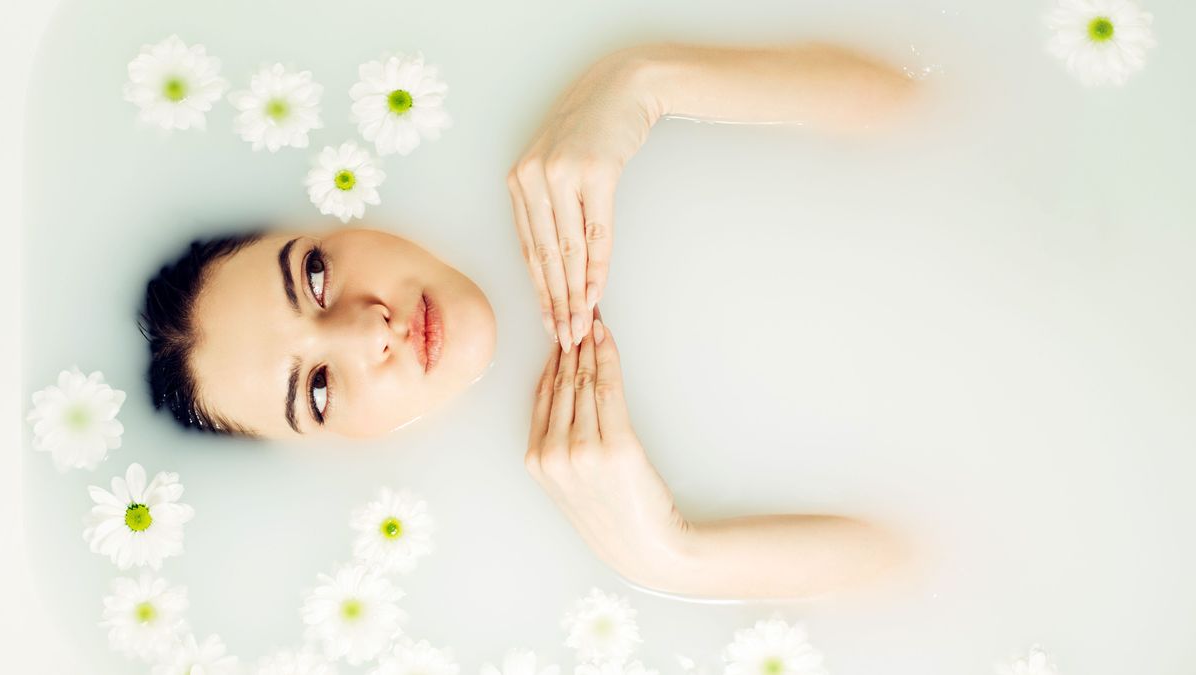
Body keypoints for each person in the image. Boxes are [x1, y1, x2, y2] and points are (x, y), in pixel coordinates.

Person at [140, 41, 918, 598]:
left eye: (313, 274)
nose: (366, 331)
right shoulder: (482, 562)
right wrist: (670, 559)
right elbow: (923, 561)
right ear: (337, 452)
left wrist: (640, 82)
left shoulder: (549, 133)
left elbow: (930, 104)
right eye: (315, 389)